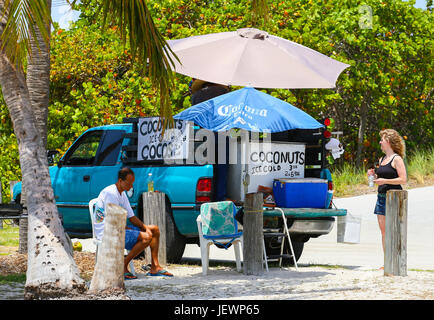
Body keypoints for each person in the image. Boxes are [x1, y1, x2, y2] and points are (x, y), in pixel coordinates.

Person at [94, 167, 173, 279]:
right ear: (120, 181)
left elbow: (131, 217)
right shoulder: (111, 193)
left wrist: (145, 227)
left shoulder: (122, 193)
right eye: (129, 183)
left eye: (132, 183)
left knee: (154, 229)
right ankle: (123, 265)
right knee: (146, 237)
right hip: (108, 233)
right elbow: (112, 221)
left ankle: (155, 267)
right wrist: (129, 229)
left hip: (117, 228)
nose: (131, 187)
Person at [367, 129, 407, 267]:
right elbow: (381, 178)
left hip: (394, 198)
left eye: (382, 140)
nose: (380, 142)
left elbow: (403, 179)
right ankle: (387, 261)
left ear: (388, 142)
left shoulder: (397, 159)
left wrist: (385, 181)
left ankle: (396, 261)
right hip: (381, 197)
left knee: (394, 230)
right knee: (384, 231)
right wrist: (373, 176)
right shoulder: (381, 159)